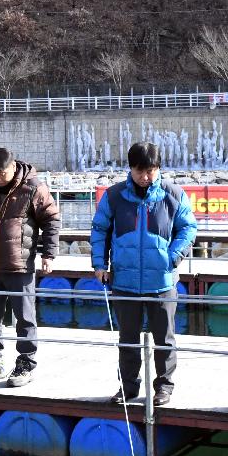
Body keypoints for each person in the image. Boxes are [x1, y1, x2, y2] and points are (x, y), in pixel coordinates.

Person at [90, 142, 197, 406]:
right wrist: (99, 264)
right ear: (130, 168)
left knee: (164, 339)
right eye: (140, 171)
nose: (145, 177)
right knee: (127, 340)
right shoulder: (114, 196)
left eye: (150, 170)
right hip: (124, 282)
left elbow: (188, 229)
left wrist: (173, 256)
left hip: (161, 282)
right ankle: (127, 387)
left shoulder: (173, 195)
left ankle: (164, 386)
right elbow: (99, 230)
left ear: (158, 168)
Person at [0, 147, 60, 387]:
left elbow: (51, 220)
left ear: (13, 166)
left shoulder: (33, 188)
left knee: (25, 319)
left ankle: (26, 363)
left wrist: (49, 254)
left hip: (20, 265)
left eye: (1, 173)